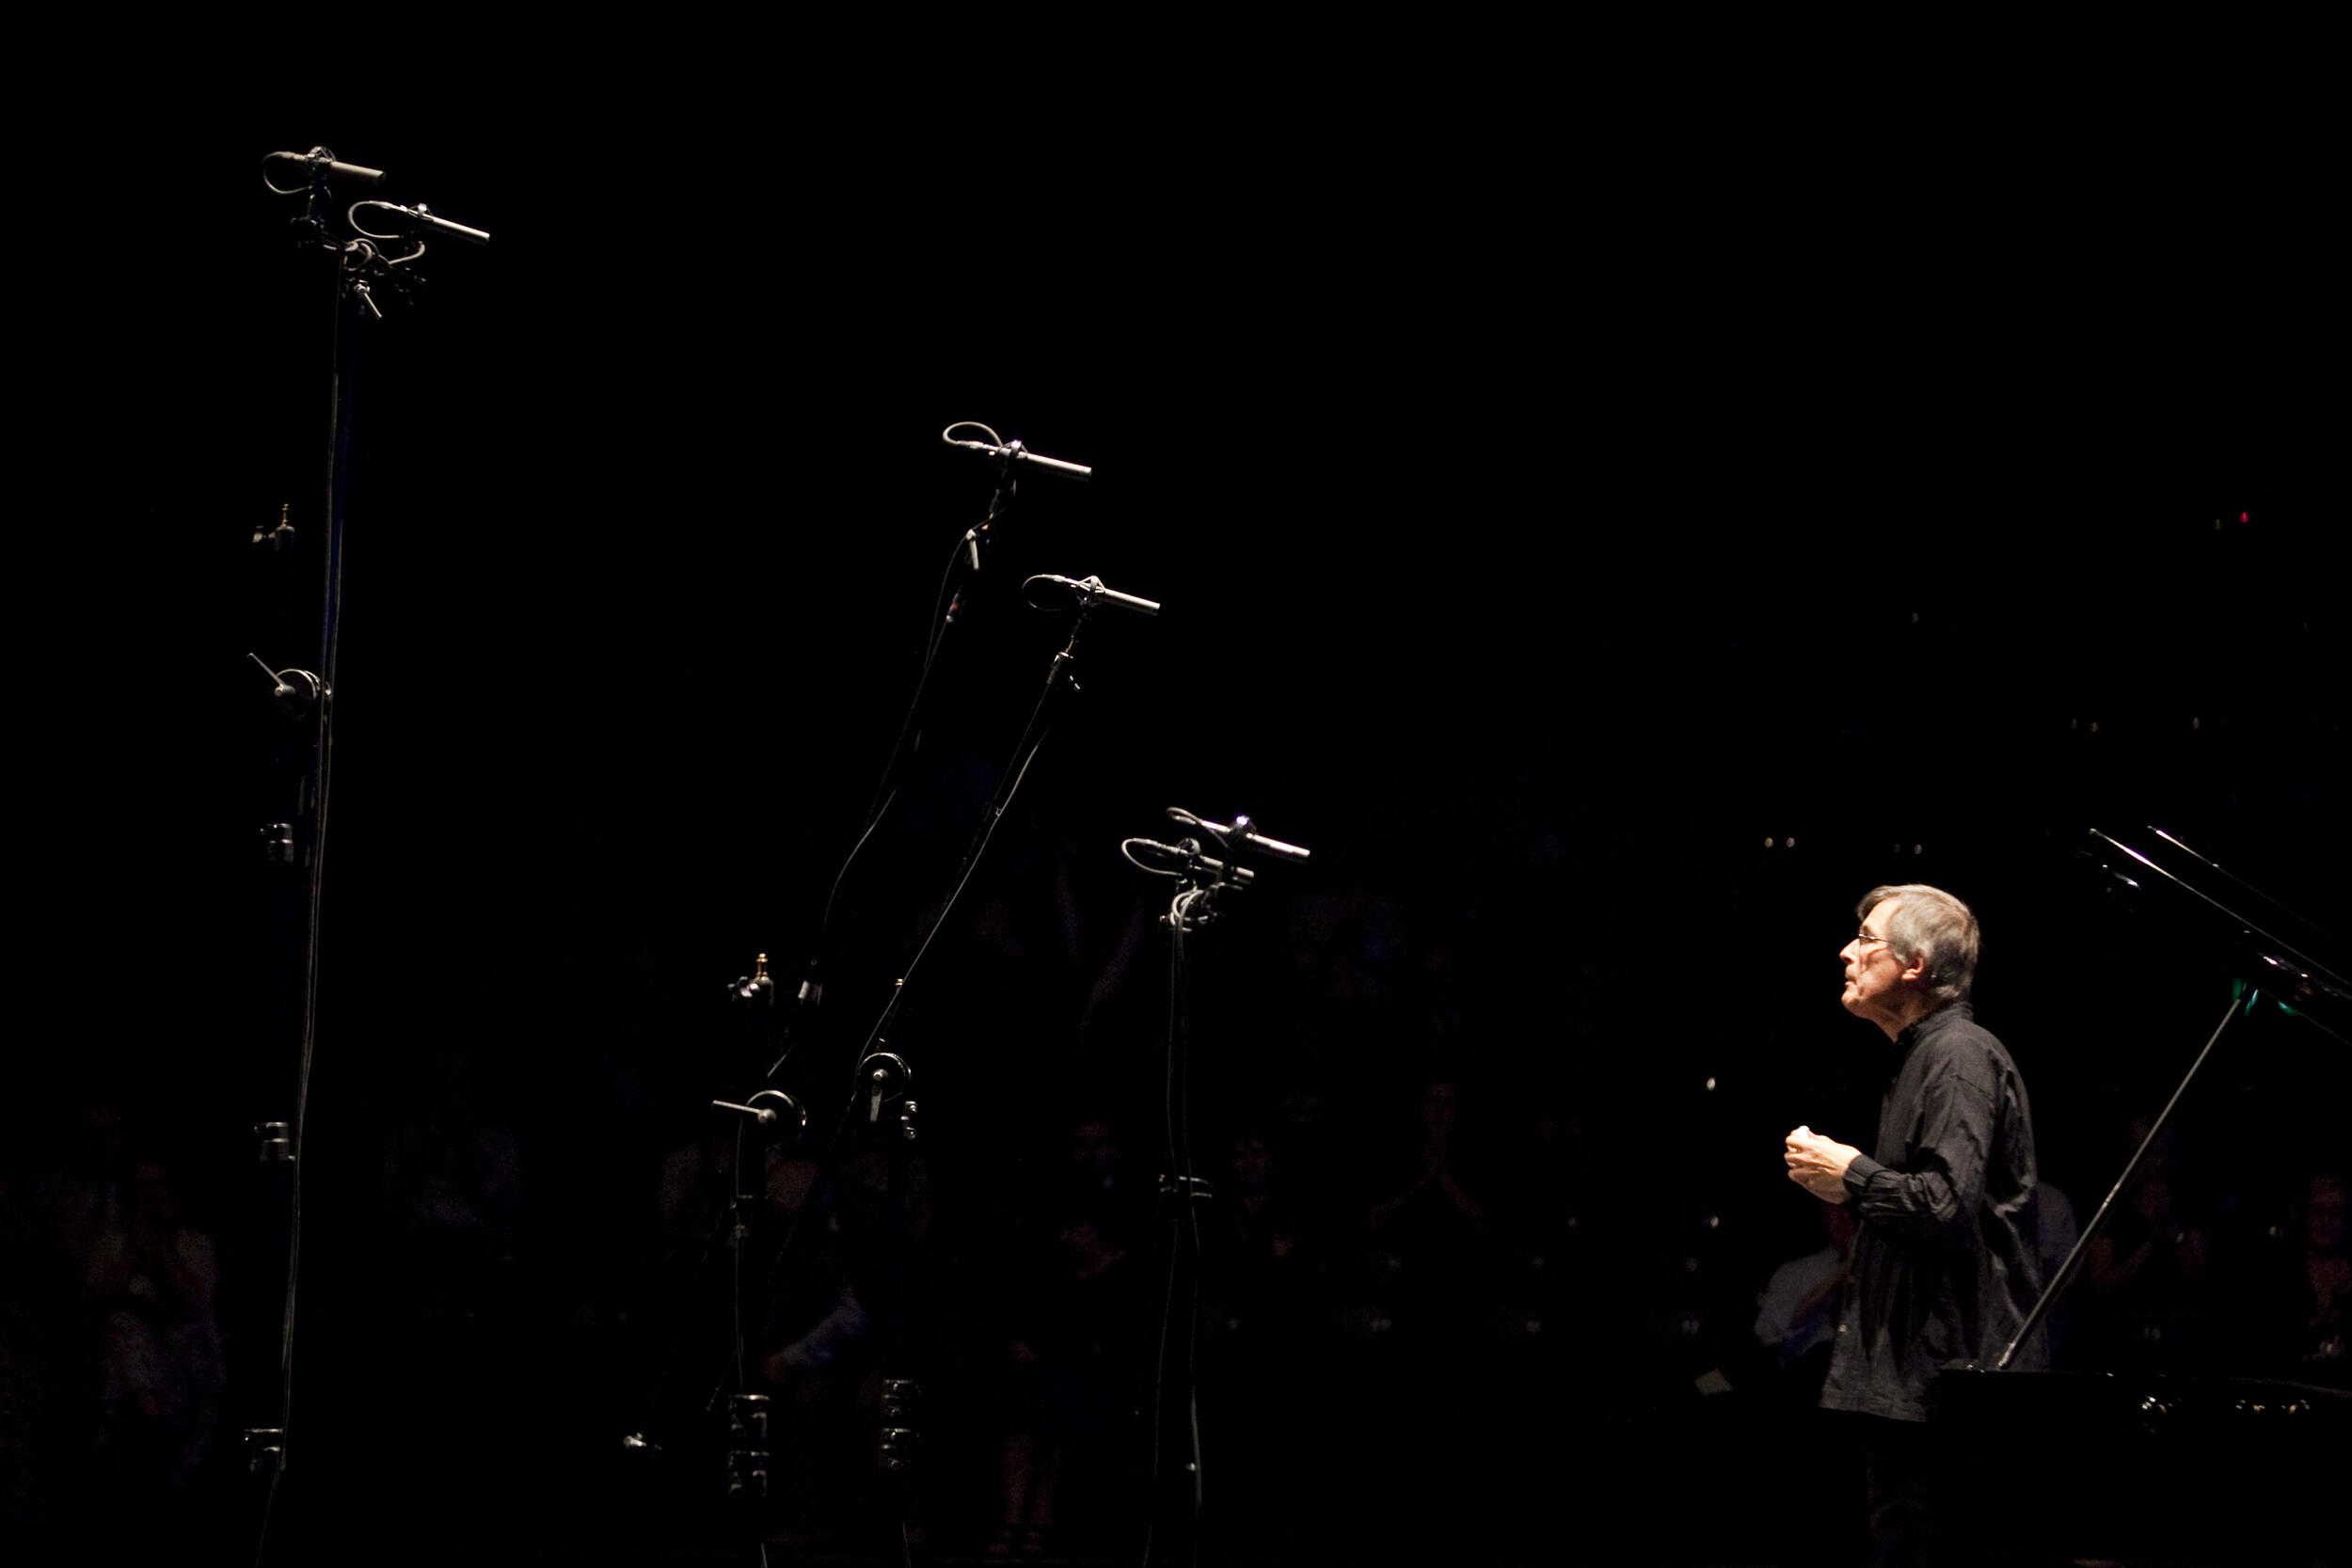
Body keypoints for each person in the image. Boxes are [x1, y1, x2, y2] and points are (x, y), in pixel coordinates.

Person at [1782, 883, 2042, 1568]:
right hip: (1920, 1378)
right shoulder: (1924, 1054)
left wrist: (1852, 1174)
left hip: (1952, 1383)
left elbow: (1944, 1203)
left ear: (1916, 964)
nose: (1847, 951)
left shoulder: (1958, 1055)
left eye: (1866, 939)